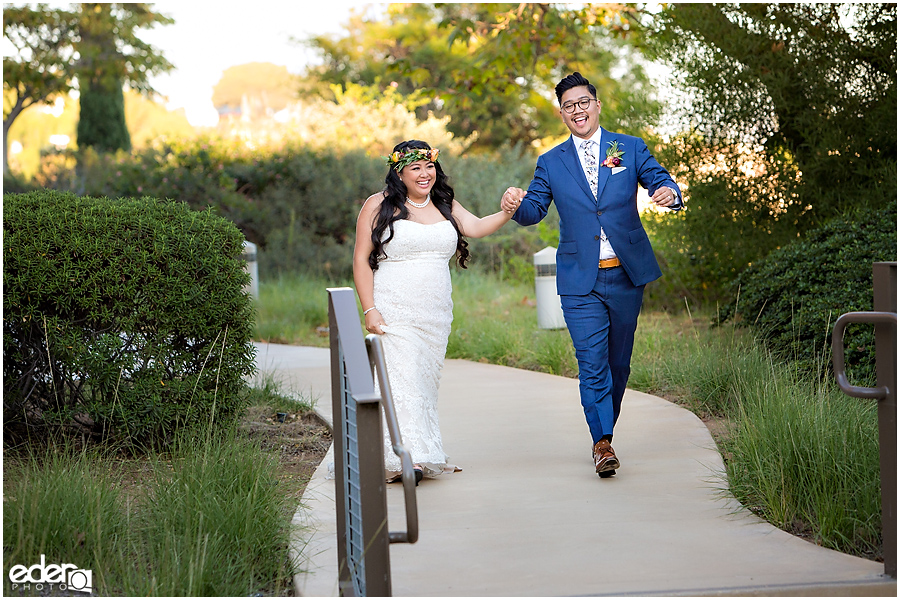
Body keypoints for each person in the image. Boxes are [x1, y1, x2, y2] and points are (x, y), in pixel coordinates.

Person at [501, 72, 683, 479]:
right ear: (562, 114)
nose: (577, 110)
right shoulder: (551, 162)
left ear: (597, 105)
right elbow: (533, 212)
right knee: (592, 362)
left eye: (583, 102)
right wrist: (514, 203)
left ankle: (606, 432)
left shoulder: (627, 148)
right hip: (579, 280)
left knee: (619, 364)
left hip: (625, 275)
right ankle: (601, 443)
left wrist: (670, 193)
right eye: (569, 105)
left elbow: (660, 179)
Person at [354, 139, 517, 483]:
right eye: (415, 167)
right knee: (401, 379)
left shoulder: (443, 204)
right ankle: (403, 457)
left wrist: (506, 212)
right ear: (399, 171)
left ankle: (422, 450)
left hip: (435, 314)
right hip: (394, 308)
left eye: (429, 166)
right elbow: (360, 259)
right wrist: (369, 308)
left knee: (423, 383)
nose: (425, 174)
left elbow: (475, 228)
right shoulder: (378, 205)